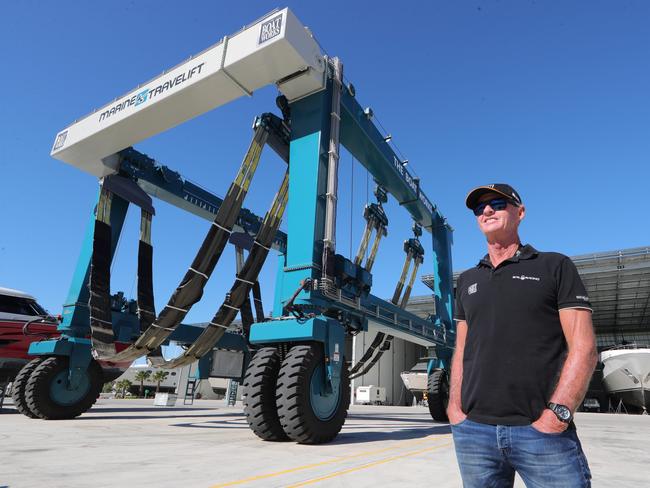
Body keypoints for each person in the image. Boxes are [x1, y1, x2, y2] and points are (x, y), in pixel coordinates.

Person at [448, 183, 598, 487]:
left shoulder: (554, 266)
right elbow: (462, 348)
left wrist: (558, 413)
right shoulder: (467, 280)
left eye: (497, 204)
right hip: (474, 432)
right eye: (479, 208)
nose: (486, 210)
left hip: (541, 432)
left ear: (520, 212)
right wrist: (454, 407)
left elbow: (584, 348)